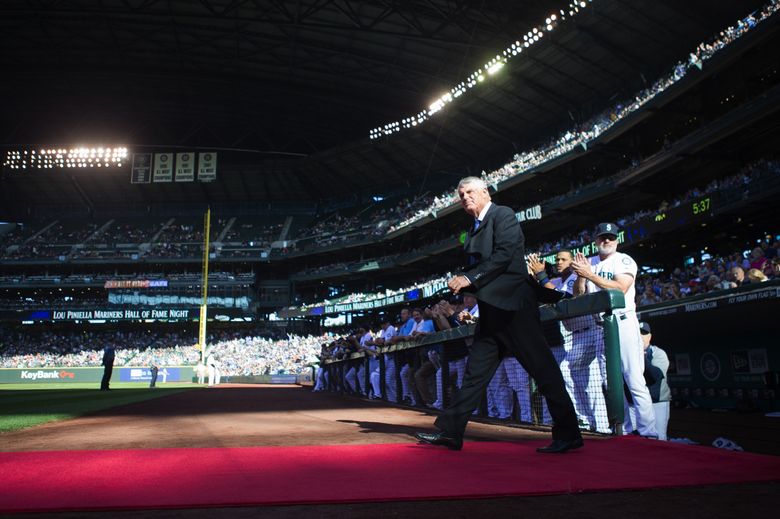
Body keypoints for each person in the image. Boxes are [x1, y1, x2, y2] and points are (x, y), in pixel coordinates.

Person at [415, 176, 581, 453]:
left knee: (543, 370)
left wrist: (469, 277)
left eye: (470, 191)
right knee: (474, 374)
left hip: (515, 308)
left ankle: (569, 434)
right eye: (461, 194)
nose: (465, 197)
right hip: (493, 313)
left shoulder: (502, 215)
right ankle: (451, 432)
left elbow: (506, 254)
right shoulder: (474, 227)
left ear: (485, 192)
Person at [572, 222, 658, 438]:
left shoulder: (623, 260)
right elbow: (578, 296)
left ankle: (650, 432)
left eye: (610, 237)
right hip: (599, 327)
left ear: (616, 240)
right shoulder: (588, 263)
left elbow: (621, 288)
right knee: (609, 382)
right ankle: (625, 430)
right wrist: (582, 275)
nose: (606, 241)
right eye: (602, 237)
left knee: (634, 379)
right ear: (595, 241)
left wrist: (589, 275)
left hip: (623, 322)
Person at [639, 322, 671, 441]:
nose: (641, 336)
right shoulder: (631, 355)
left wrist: (642, 358)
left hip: (657, 402)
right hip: (639, 404)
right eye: (638, 333)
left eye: (644, 333)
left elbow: (655, 377)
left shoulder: (658, 353)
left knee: (660, 438)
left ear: (650, 336)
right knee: (639, 439)